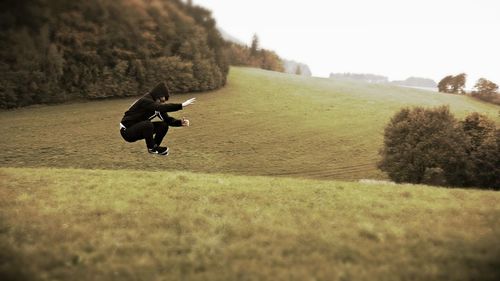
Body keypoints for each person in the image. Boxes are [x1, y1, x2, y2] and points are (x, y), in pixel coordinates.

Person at [119, 82, 196, 155]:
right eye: (161, 100)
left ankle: (155, 147)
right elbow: (161, 107)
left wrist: (180, 123)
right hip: (127, 131)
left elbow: (167, 120)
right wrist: (181, 105)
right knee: (148, 125)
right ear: (157, 95)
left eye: (163, 102)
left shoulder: (157, 106)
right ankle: (152, 148)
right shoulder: (145, 101)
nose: (162, 103)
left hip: (138, 129)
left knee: (164, 125)